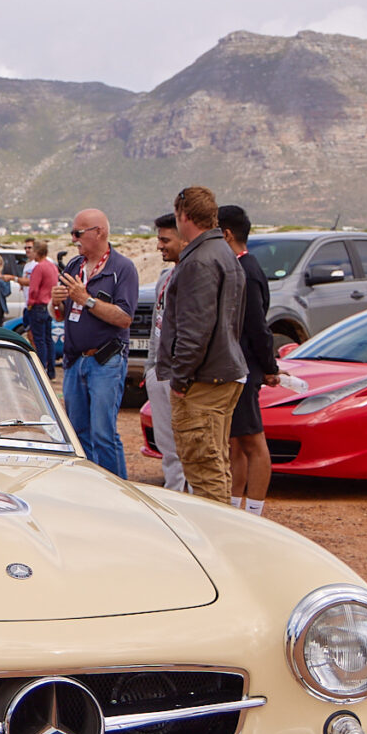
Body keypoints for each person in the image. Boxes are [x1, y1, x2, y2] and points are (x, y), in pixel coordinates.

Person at [160, 185, 248, 506]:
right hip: (222, 372)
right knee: (215, 463)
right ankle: (221, 529)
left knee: (203, 468)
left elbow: (195, 330)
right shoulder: (223, 252)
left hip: (203, 380)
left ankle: (215, 535)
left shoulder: (199, 260)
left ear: (183, 216)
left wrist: (180, 379)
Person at [54, 210, 140, 477]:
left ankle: (117, 490)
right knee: (78, 433)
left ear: (99, 232)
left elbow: (124, 318)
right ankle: (88, 487)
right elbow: (61, 314)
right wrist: (56, 302)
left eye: (78, 233)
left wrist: (87, 300)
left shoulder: (122, 269)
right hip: (75, 360)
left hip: (105, 360)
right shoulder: (73, 266)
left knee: (103, 433)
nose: (73, 239)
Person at [220, 204, 280, 517]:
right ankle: (234, 508)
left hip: (245, 368)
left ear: (227, 234)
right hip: (235, 367)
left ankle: (254, 511)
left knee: (253, 441)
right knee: (235, 441)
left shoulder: (248, 271)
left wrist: (269, 367)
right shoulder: (237, 268)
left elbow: (258, 327)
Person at [143, 213, 191, 495]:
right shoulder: (165, 277)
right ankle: (174, 494)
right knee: (167, 446)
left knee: (188, 446)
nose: (159, 246)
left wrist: (182, 373)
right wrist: (151, 368)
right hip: (159, 371)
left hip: (180, 375)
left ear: (184, 239)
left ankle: (192, 502)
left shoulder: (194, 276)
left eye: (165, 240)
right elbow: (156, 326)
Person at [19, 239, 58, 375]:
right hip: (48, 305)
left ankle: (41, 370)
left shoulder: (39, 267)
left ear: (37, 252)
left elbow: (33, 289)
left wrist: (30, 304)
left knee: (39, 339)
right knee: (48, 338)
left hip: (38, 306)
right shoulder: (52, 266)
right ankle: (51, 370)